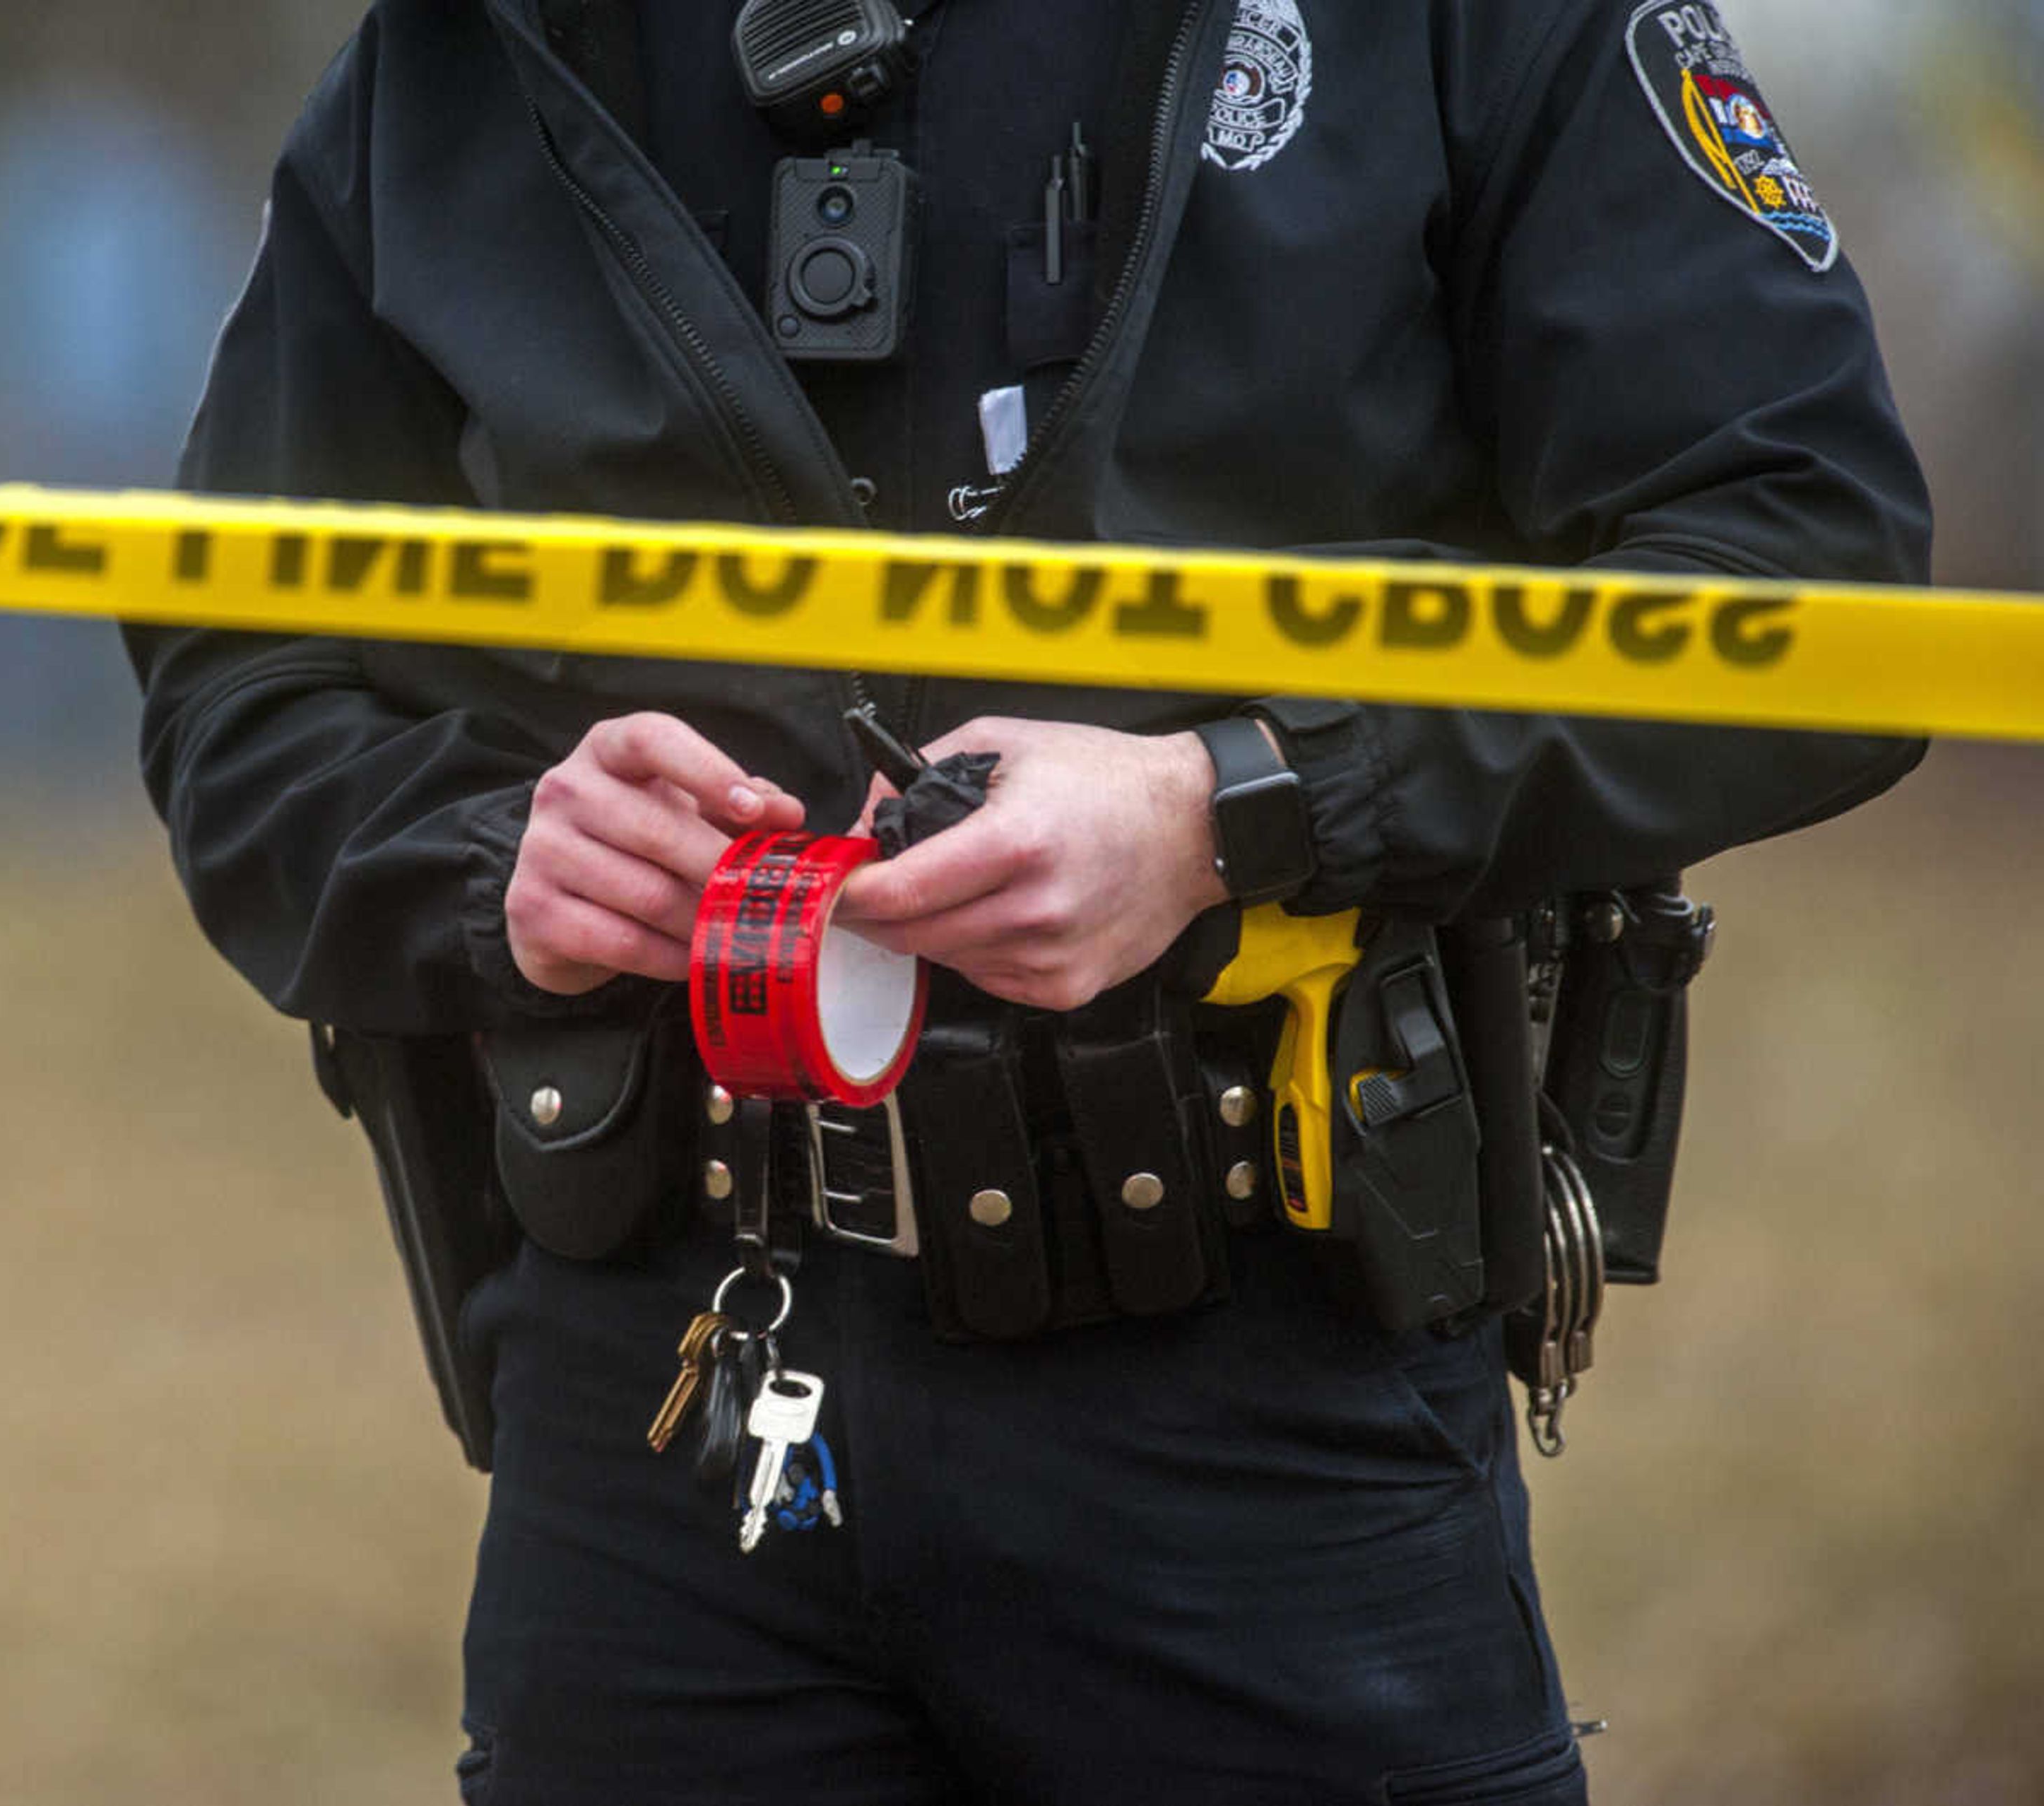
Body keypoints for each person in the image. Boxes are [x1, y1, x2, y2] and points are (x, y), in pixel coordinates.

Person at [126, 0, 1929, 1798]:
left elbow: (1818, 583)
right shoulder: (462, 53)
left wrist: (1238, 804)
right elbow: (238, 669)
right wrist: (491, 855)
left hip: (1264, 1408)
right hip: (665, 1406)